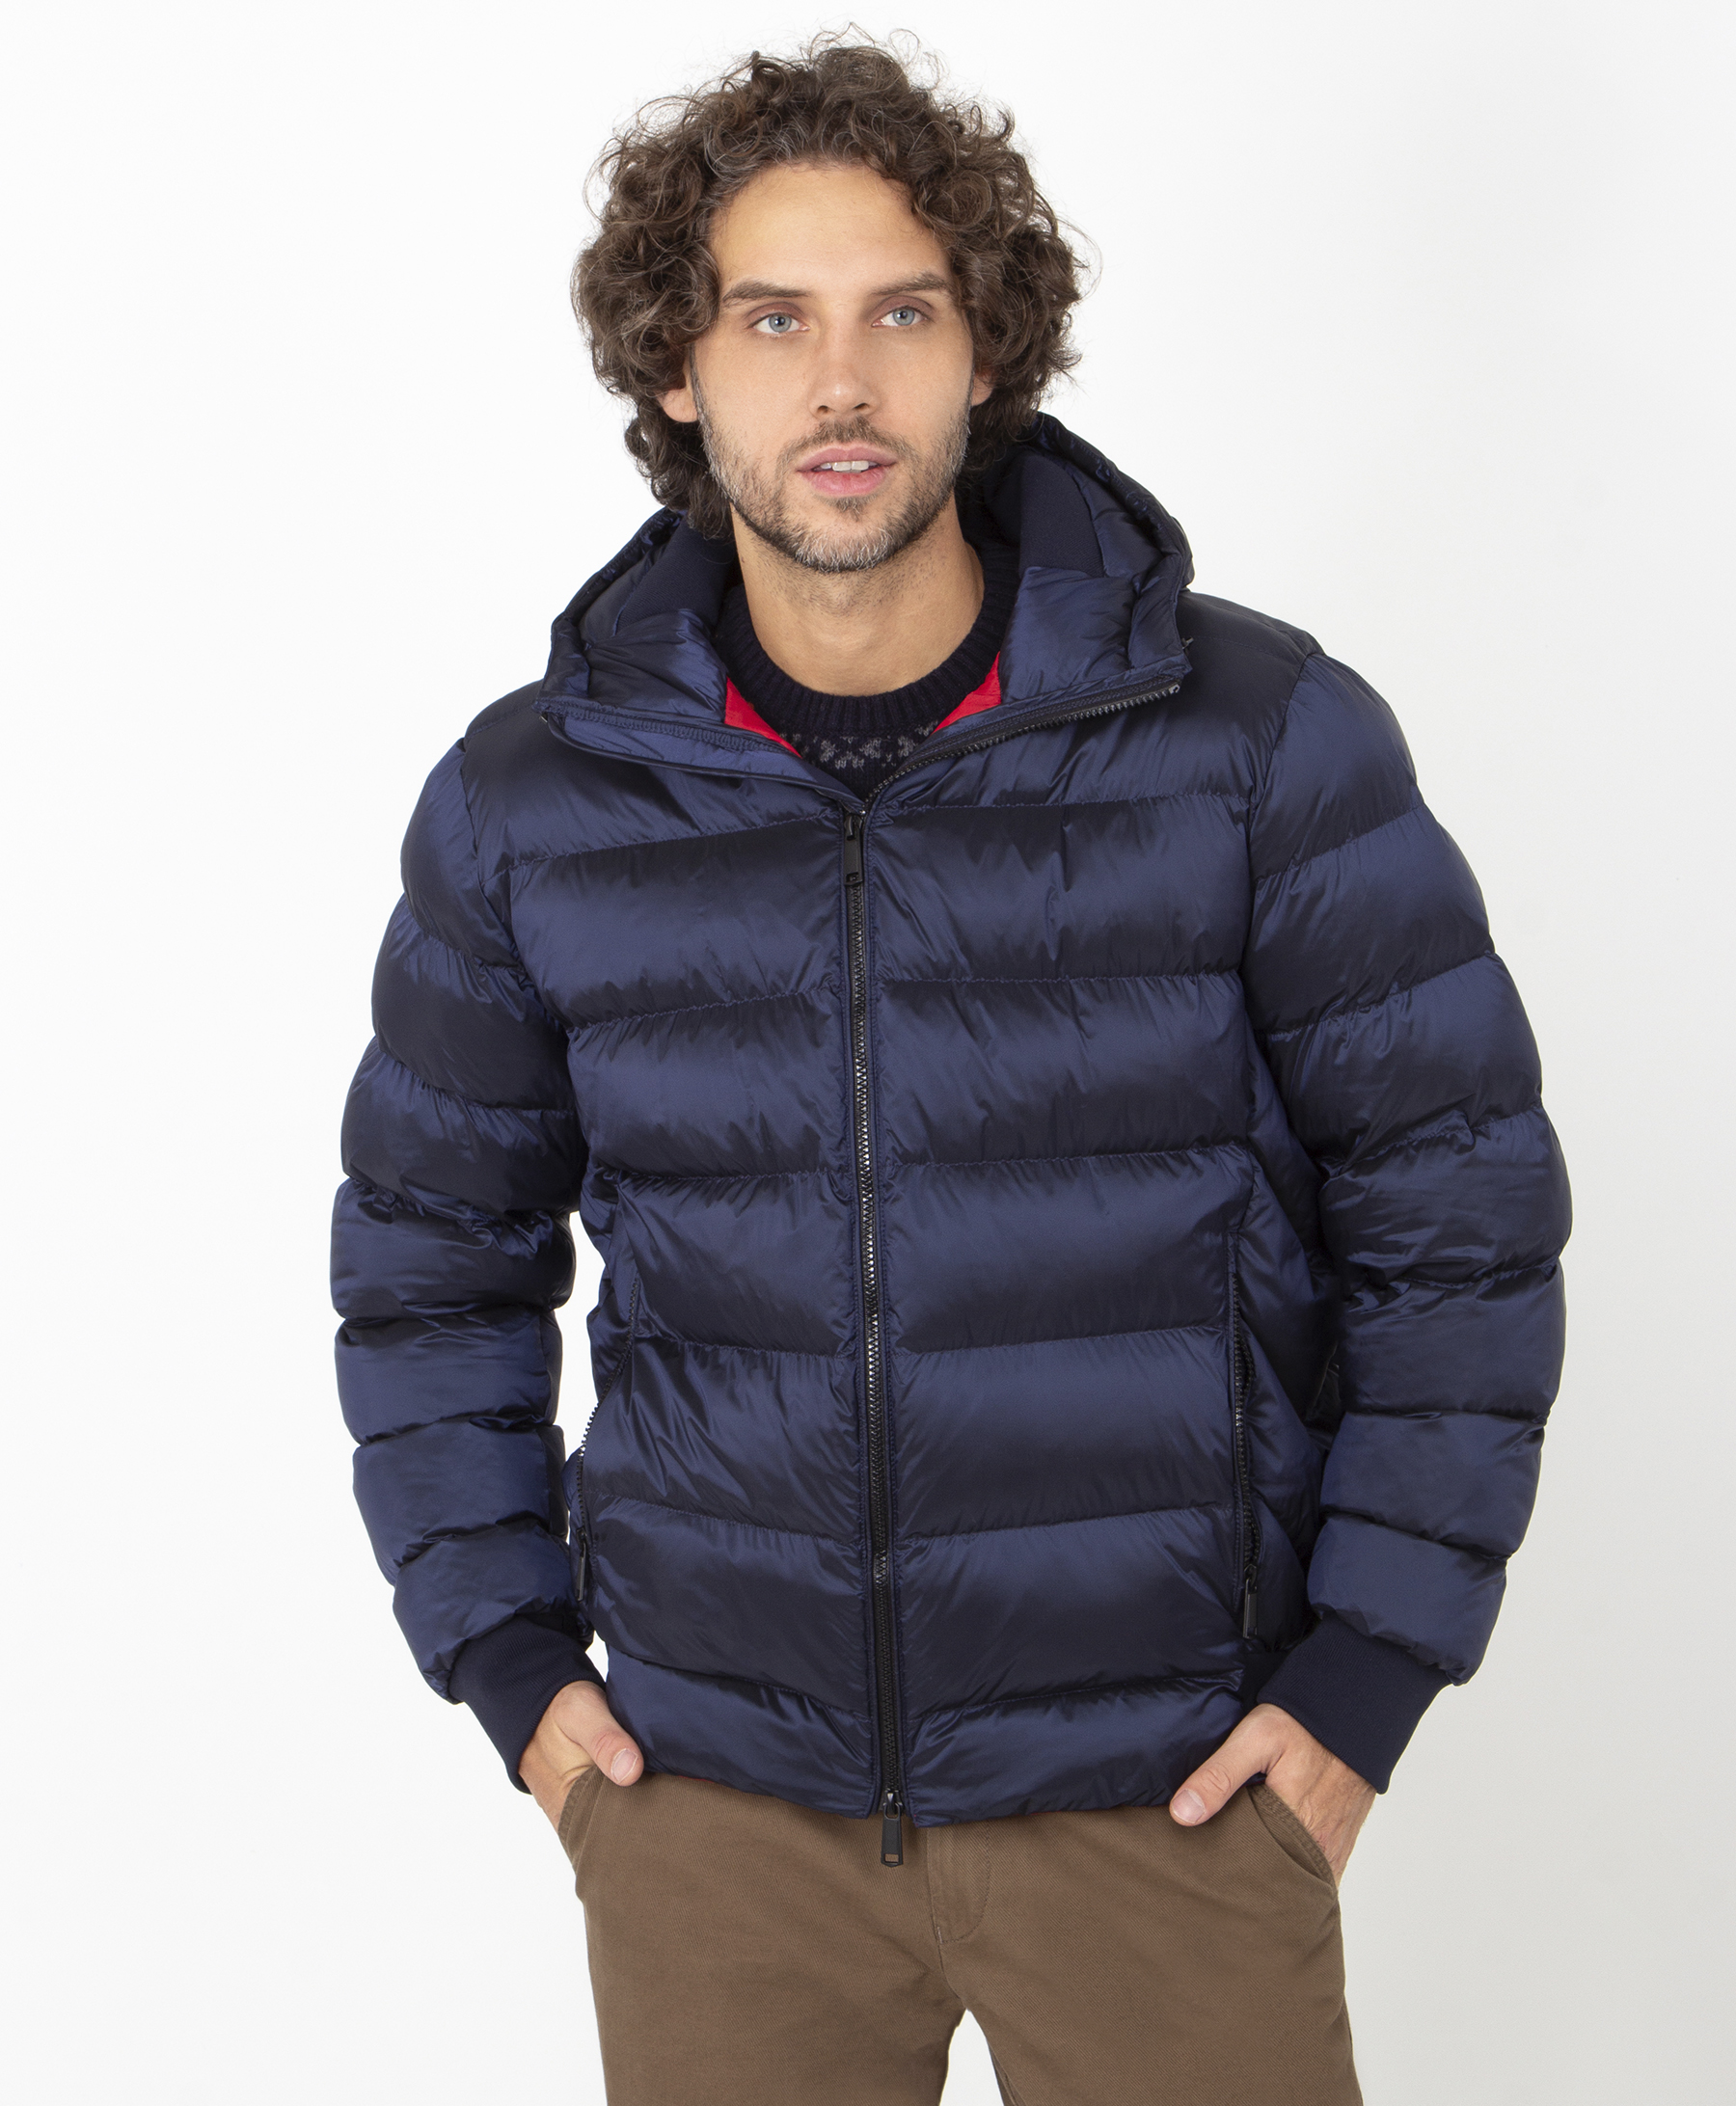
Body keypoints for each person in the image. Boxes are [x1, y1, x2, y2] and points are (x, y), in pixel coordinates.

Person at [332, 35, 1569, 2106]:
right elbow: (428, 1266)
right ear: (674, 368)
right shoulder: (533, 804)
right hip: (720, 1817)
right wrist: (514, 1666)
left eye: (901, 313)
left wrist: (1366, 1677)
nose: (842, 386)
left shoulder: (1255, 741)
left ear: (986, 350)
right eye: (772, 320)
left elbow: (1459, 1220)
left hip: (1174, 1796)